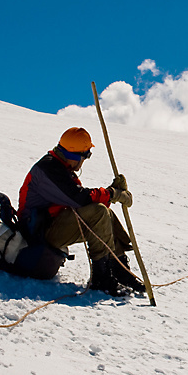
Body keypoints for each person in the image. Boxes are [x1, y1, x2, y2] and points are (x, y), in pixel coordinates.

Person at [17, 127, 146, 297]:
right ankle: (102, 278)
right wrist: (113, 194)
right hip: (39, 233)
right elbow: (79, 198)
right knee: (98, 213)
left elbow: (80, 197)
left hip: (49, 225)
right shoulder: (49, 169)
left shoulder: (59, 167)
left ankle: (119, 269)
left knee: (106, 214)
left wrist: (110, 193)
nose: (85, 161)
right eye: (85, 156)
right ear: (75, 155)